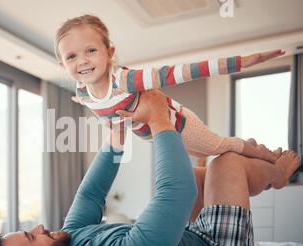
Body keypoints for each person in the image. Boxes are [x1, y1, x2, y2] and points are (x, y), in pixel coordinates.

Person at [0, 89, 301, 246]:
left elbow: (91, 194)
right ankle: (276, 176)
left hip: (190, 237)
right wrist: (159, 118)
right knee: (225, 163)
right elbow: (176, 194)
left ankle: (256, 168)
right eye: (30, 236)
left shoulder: (69, 237)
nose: (38, 226)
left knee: (195, 173)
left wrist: (116, 138)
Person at [55, 14, 284, 163]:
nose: (82, 61)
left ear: (109, 52)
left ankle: (263, 153)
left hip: (180, 124)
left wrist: (241, 62)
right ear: (62, 64)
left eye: (91, 51)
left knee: (220, 147)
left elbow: (182, 72)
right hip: (157, 136)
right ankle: (247, 147)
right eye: (72, 56)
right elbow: (94, 102)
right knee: (201, 153)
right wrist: (81, 100)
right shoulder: (83, 91)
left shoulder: (125, 80)